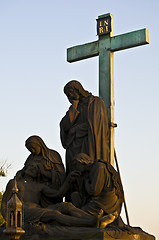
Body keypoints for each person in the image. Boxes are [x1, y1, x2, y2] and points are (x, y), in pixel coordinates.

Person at [1, 162, 118, 229]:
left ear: (39, 172)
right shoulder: (15, 183)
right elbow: (5, 203)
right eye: (31, 166)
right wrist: (9, 222)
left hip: (37, 210)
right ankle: (91, 223)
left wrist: (68, 180)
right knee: (54, 214)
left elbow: (58, 193)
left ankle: (94, 219)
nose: (33, 169)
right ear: (25, 168)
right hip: (24, 213)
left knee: (66, 206)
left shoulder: (39, 186)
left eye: (36, 168)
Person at [60, 80, 109, 177]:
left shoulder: (94, 102)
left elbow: (96, 124)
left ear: (77, 90)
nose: (69, 96)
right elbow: (64, 126)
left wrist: (75, 130)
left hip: (89, 143)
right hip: (73, 146)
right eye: (67, 95)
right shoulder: (75, 107)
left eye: (70, 93)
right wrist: (73, 108)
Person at [70, 153, 124, 222]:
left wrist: (87, 182)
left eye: (76, 164)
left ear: (82, 162)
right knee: (75, 199)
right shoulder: (93, 168)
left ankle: (99, 221)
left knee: (79, 214)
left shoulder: (99, 167)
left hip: (105, 204)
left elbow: (94, 191)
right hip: (103, 202)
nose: (75, 167)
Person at [16, 135, 65, 206]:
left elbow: (61, 175)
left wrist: (44, 173)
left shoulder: (53, 155)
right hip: (35, 191)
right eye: (29, 149)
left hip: (49, 189)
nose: (32, 150)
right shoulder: (31, 157)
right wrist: (20, 173)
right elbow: (25, 169)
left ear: (39, 145)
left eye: (33, 148)